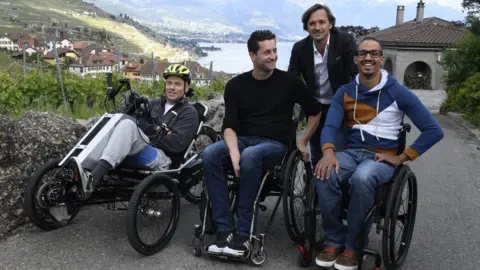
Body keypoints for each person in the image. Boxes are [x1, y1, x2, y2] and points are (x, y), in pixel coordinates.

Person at [313, 37, 444, 270]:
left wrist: (402, 157)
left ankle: (354, 248)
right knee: (324, 172)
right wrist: (328, 152)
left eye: (374, 53)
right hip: (351, 153)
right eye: (363, 53)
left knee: (362, 178)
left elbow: (434, 130)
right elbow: (330, 126)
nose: (368, 58)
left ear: (381, 59)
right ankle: (334, 240)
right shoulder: (345, 92)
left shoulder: (398, 92)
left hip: (381, 157)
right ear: (355, 60)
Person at [202, 30, 322, 257]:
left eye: (275, 51)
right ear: (252, 56)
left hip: (275, 146)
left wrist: (304, 141)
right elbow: (229, 126)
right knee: (209, 155)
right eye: (267, 52)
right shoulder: (236, 85)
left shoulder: (290, 82)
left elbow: (315, 111)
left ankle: (244, 235)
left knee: (252, 156)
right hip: (243, 141)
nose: (273, 56)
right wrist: (234, 152)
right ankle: (224, 230)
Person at [83, 64, 199, 197]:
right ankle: (83, 168)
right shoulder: (154, 104)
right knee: (117, 122)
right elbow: (138, 121)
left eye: (178, 84)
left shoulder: (189, 112)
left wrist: (147, 131)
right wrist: (160, 131)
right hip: (142, 148)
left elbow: (176, 144)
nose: (172, 87)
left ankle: (94, 177)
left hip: (164, 159)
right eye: (169, 83)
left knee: (127, 125)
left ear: (186, 87)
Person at [288, 3, 358, 166]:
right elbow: (293, 80)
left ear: (330, 24)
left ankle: (337, 187)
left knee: (336, 152)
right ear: (306, 28)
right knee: (316, 155)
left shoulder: (344, 41)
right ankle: (315, 190)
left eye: (321, 22)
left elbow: (356, 73)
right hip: (314, 108)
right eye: (312, 23)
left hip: (339, 104)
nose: (317, 27)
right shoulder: (299, 48)